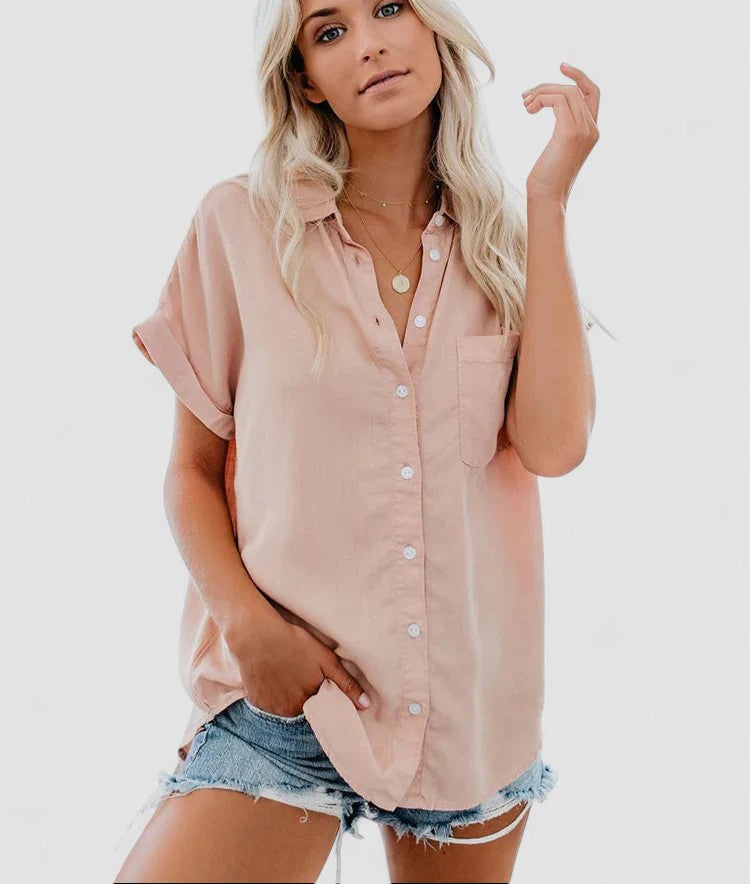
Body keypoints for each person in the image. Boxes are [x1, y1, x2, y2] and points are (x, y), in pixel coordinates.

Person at [115, 1, 610, 881]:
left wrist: (548, 201)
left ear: (433, 28)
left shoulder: (503, 240)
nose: (370, 43)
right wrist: (248, 627)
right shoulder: (241, 225)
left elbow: (554, 447)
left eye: (388, 8)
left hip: (468, 715)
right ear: (306, 79)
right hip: (288, 702)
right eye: (330, 30)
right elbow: (190, 470)